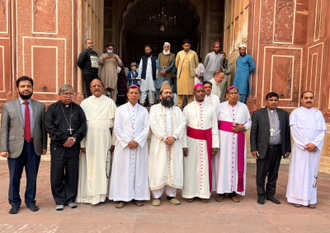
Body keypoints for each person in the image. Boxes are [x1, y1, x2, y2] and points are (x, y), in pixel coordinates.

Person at [0, 76, 47, 214]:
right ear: (17, 88)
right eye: (22, 86)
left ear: (32, 88)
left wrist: (44, 145)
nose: (26, 89)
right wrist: (3, 148)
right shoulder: (8, 106)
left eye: (28, 86)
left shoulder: (40, 106)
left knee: (32, 176)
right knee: (15, 176)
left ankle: (30, 201)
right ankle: (14, 202)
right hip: (15, 147)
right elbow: (4, 129)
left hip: (33, 146)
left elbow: (42, 128)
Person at [45, 84, 87, 211]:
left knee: (72, 173)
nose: (68, 96)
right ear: (59, 94)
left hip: (73, 146)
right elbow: (49, 126)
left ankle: (70, 199)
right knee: (57, 173)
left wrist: (73, 139)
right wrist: (64, 139)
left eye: (70, 93)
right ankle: (59, 199)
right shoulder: (53, 108)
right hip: (58, 146)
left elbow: (83, 125)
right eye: (65, 93)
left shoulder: (78, 109)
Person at [77, 78, 117, 205]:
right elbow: (81, 125)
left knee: (103, 166)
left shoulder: (110, 102)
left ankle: (102, 195)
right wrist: (82, 143)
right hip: (89, 140)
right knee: (89, 166)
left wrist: (113, 142)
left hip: (104, 140)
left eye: (99, 85)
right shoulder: (84, 103)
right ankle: (88, 196)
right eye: (94, 86)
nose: (97, 88)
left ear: (103, 87)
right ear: (90, 88)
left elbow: (116, 126)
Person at [109, 85, 150, 208]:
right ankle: (122, 197)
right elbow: (117, 128)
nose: (133, 95)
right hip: (124, 147)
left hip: (138, 147)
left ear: (139, 95)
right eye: (131, 93)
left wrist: (136, 141)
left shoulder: (143, 111)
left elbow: (146, 128)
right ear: (127, 94)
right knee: (123, 171)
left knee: (139, 171)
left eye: (136, 93)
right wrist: (128, 141)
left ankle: (138, 197)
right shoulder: (120, 109)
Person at [286, 91, 326, 209]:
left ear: (314, 99)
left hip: (314, 150)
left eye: (311, 98)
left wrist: (314, 144)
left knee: (311, 173)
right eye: (306, 98)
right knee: (299, 172)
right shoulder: (295, 113)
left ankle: (310, 198)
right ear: (301, 99)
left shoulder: (318, 114)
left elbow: (322, 131)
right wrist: (306, 145)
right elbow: (294, 131)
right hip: (301, 149)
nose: (308, 100)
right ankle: (297, 198)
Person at [149, 81, 186, 206]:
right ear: (160, 96)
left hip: (174, 144)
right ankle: (157, 196)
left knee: (174, 167)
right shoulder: (154, 109)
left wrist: (174, 137)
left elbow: (182, 124)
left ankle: (171, 195)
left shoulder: (177, 110)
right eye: (166, 93)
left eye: (170, 93)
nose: (169, 95)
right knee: (158, 167)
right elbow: (154, 125)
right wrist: (165, 138)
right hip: (159, 144)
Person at [250, 92, 291, 205]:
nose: (273, 102)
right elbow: (253, 132)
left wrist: (287, 148)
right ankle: (261, 195)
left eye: (275, 100)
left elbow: (287, 132)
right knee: (261, 174)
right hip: (264, 148)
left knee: (274, 173)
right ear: (266, 101)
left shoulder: (283, 114)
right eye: (271, 100)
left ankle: (271, 194)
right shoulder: (258, 113)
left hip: (277, 149)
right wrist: (254, 148)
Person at [182, 84, 219, 202]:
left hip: (206, 142)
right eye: (198, 91)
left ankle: (204, 194)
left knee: (204, 167)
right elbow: (183, 128)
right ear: (194, 93)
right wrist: (184, 145)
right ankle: (190, 193)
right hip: (191, 141)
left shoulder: (211, 108)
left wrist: (215, 144)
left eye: (203, 91)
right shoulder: (187, 108)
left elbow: (214, 127)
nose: (201, 93)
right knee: (190, 167)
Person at [214, 86, 251, 203]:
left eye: (236, 93)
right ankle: (220, 192)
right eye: (231, 93)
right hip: (223, 140)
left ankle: (233, 192)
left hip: (238, 140)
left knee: (235, 166)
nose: (234, 95)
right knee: (222, 164)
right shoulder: (220, 107)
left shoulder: (243, 107)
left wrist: (243, 127)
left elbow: (249, 121)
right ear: (227, 95)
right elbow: (214, 122)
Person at [175, 39, 199, 108]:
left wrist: (190, 67)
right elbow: (176, 64)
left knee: (190, 91)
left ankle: (190, 105)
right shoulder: (179, 53)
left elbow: (196, 63)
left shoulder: (193, 53)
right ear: (183, 46)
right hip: (181, 75)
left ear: (190, 46)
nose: (187, 47)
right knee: (180, 91)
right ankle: (179, 105)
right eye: (185, 46)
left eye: (188, 46)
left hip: (190, 75)